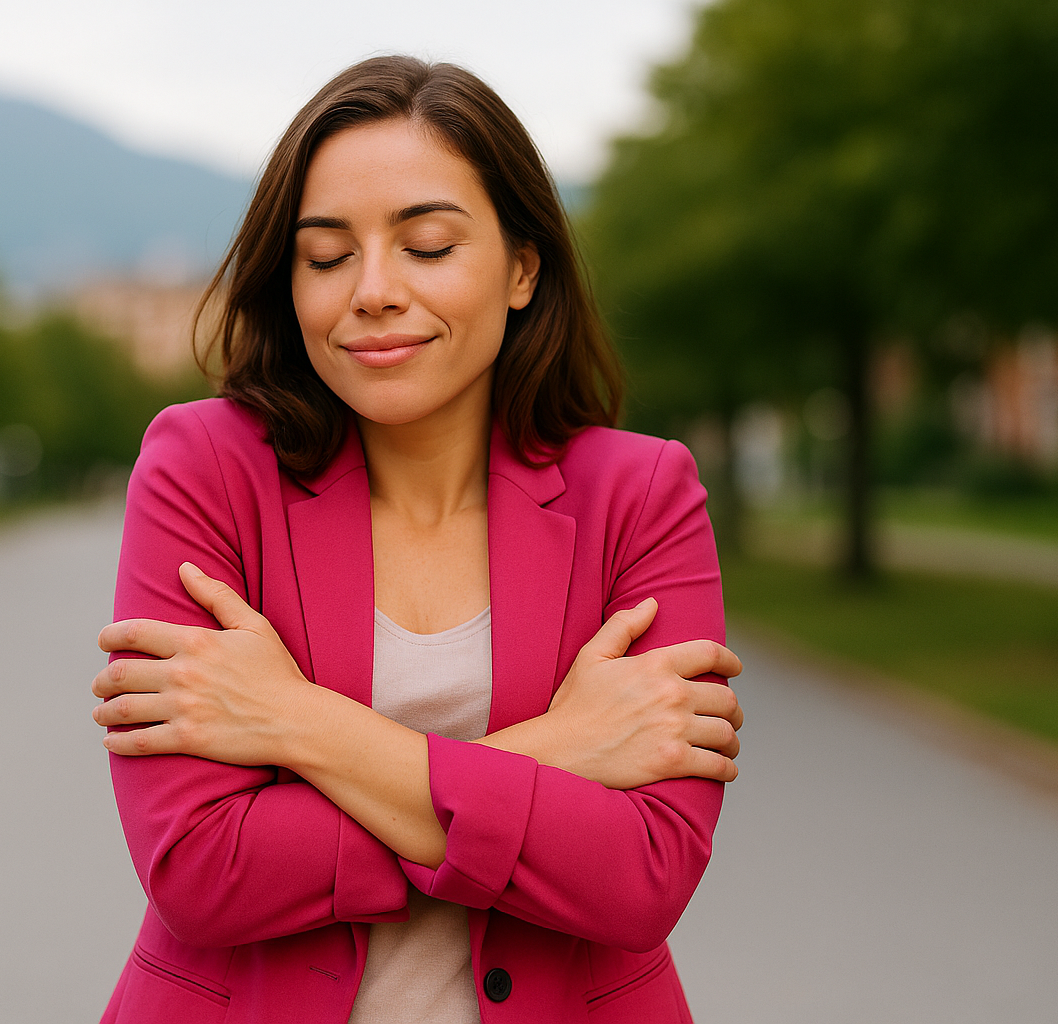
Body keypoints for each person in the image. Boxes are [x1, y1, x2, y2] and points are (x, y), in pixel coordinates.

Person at [89, 55, 745, 1023]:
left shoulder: (641, 494)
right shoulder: (203, 469)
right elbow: (202, 870)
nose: (374, 291)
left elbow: (643, 876)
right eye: (326, 256)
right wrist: (564, 751)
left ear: (524, 267)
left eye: (428, 245)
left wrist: (295, 724)